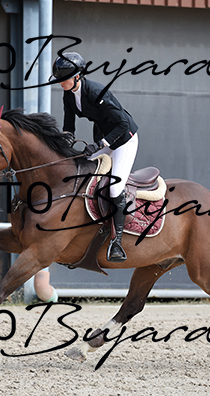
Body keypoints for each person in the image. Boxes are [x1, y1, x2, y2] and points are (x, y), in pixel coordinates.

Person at [51, 52, 139, 262]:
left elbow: (122, 124)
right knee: (84, 173)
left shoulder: (96, 92)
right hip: (104, 137)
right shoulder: (69, 94)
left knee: (115, 188)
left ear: (77, 76)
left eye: (64, 78)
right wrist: (64, 143)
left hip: (124, 140)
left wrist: (100, 144)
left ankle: (117, 243)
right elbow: (69, 125)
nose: (61, 82)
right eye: (59, 79)